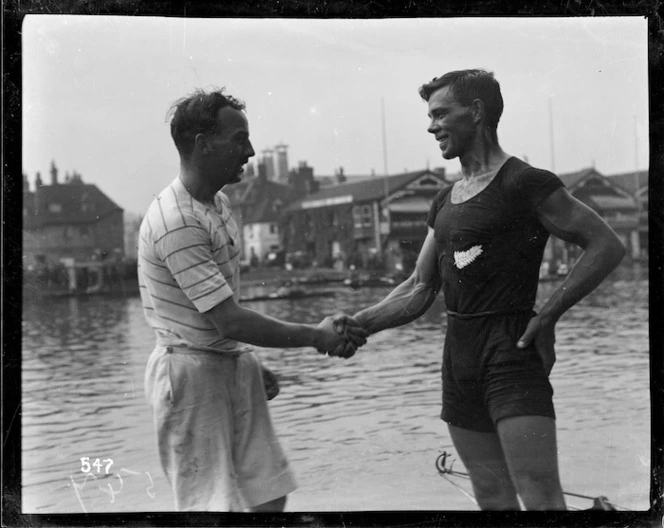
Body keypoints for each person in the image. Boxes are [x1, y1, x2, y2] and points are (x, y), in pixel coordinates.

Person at [332, 69, 625, 510]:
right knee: (490, 496)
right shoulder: (444, 200)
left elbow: (607, 244)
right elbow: (418, 287)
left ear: (477, 111)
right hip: (460, 357)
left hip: (512, 352)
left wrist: (548, 315)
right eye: (429, 117)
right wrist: (357, 325)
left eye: (440, 114)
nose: (431, 126)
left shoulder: (524, 182)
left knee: (540, 495)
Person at [138, 88, 367, 512]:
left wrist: (246, 359)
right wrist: (318, 336)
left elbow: (218, 315)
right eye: (239, 139)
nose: (250, 150)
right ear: (204, 145)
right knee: (210, 505)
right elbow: (231, 320)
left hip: (226, 360)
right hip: (189, 375)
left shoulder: (219, 205)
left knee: (268, 493)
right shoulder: (176, 220)